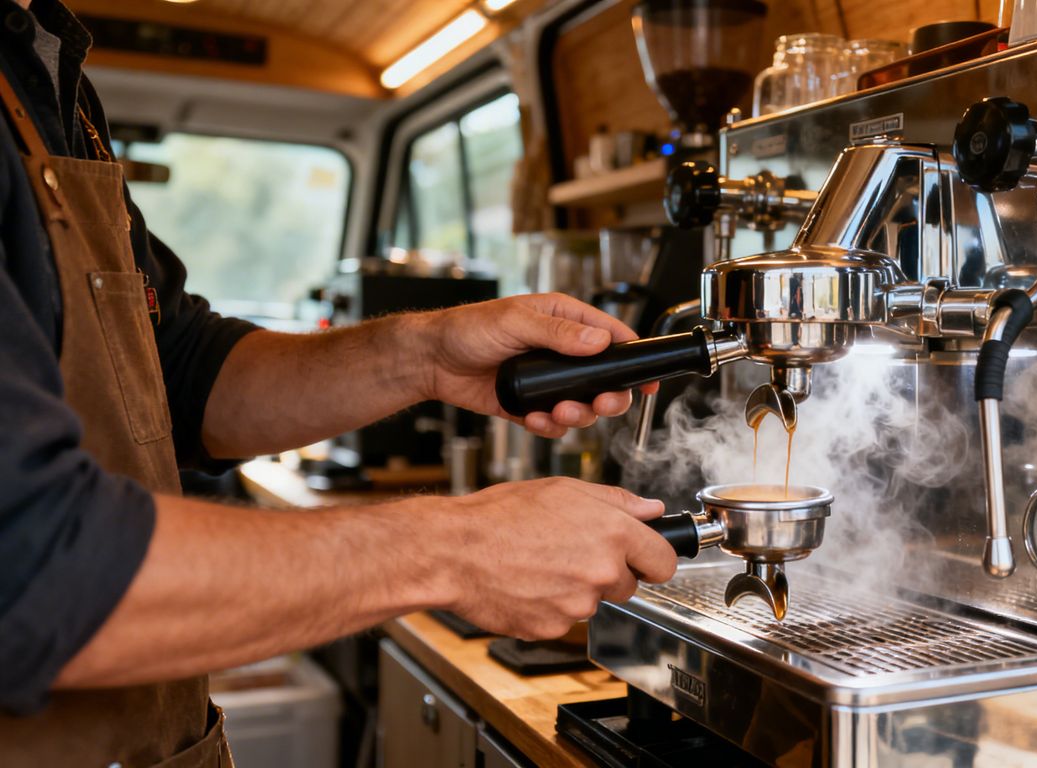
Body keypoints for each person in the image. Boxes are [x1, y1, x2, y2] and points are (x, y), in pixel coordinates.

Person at [0, 0, 678, 764]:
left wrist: (424, 354)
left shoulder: (45, 66)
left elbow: (179, 373)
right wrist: (456, 547)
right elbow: (28, 560)